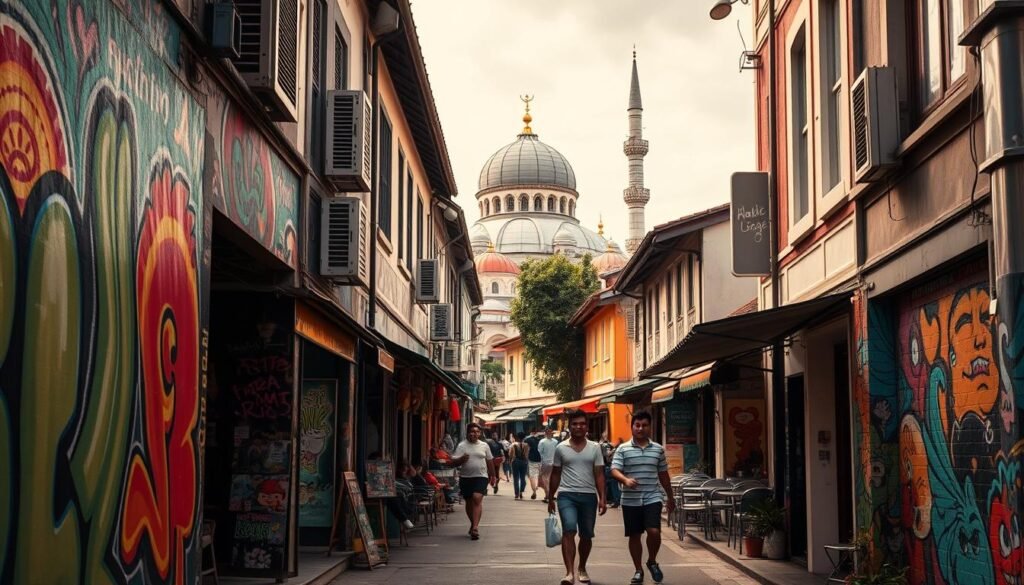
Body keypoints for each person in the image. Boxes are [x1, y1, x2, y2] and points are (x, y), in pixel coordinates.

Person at [610, 411, 675, 585]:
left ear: (650, 427)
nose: (640, 428)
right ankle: (638, 570)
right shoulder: (623, 449)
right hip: (630, 500)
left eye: (644, 425)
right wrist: (625, 479)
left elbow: (663, 474)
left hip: (652, 497)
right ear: (632, 427)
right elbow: (614, 469)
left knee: (654, 531)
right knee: (634, 535)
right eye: (637, 425)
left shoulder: (658, 449)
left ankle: (652, 560)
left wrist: (670, 497)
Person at [548, 410, 606, 585]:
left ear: (587, 427)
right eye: (575, 424)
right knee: (569, 530)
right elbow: (555, 474)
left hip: (589, 496)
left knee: (586, 535)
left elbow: (599, 475)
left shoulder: (595, 448)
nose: (578, 427)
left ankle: (582, 567)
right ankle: (569, 573)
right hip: (567, 495)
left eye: (582, 423)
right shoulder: (561, 448)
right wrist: (551, 497)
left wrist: (603, 498)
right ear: (569, 426)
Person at [450, 422, 494, 540]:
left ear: (480, 433)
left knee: (477, 498)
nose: (475, 434)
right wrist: (461, 459)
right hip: (465, 478)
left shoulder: (484, 445)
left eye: (477, 432)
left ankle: (475, 527)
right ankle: (473, 523)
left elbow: (490, 461)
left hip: (481, 476)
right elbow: (453, 462)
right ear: (468, 433)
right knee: (469, 502)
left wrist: (493, 476)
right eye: (472, 432)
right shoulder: (461, 446)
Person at [537, 427, 559, 503]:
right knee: (551, 478)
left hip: (545, 462)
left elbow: (540, 452)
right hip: (553, 462)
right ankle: (551, 494)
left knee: (545, 479)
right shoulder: (555, 442)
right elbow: (557, 452)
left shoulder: (542, 442)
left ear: (545, 433)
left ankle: (548, 495)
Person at [599, 432, 621, 508]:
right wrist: (614, 449)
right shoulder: (604, 445)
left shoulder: (605, 445)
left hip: (608, 466)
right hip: (608, 466)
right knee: (612, 484)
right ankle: (614, 500)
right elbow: (606, 455)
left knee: (611, 484)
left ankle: (614, 500)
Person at [509, 431, 530, 499]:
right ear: (524, 437)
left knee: (516, 478)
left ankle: (516, 494)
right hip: (524, 462)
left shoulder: (513, 445)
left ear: (517, 437)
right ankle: (521, 491)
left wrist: (510, 461)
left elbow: (510, 454)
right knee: (523, 477)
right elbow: (527, 455)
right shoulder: (526, 445)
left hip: (515, 462)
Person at [523, 429, 542, 499]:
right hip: (541, 459)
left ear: (531, 432)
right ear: (536, 432)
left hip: (531, 460)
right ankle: (537, 485)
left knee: (532, 476)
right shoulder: (540, 439)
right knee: (539, 475)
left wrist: (526, 457)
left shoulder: (527, 440)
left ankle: (534, 491)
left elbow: (526, 449)